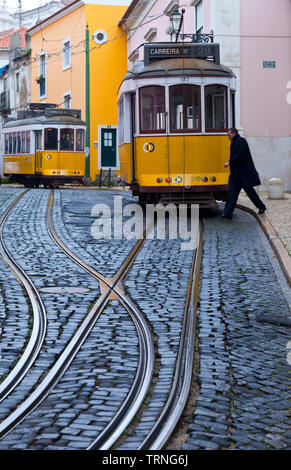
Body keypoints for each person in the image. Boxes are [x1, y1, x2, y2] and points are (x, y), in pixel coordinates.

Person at [221, 128, 266, 219]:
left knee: (250, 193)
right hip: (235, 175)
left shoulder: (241, 141)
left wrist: (230, 162)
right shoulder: (234, 142)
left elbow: (240, 155)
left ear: (234, 133)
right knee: (232, 194)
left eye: (229, 135)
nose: (228, 137)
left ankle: (261, 207)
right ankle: (227, 213)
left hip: (244, 175)